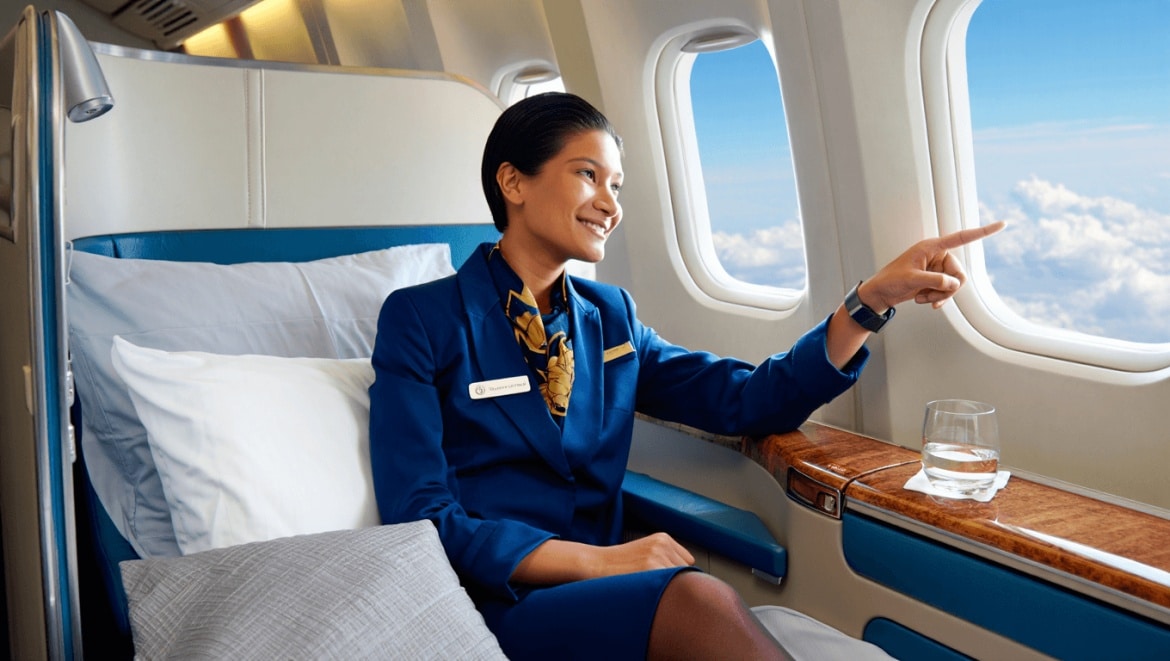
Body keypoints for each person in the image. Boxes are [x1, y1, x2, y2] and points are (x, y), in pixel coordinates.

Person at [368, 92, 1004, 660]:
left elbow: (747, 400)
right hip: (491, 602)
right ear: (513, 181)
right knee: (696, 598)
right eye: (588, 175)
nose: (610, 205)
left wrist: (869, 302)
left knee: (698, 599)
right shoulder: (422, 319)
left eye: (617, 186)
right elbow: (419, 515)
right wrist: (599, 562)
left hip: (602, 594)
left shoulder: (610, 318)